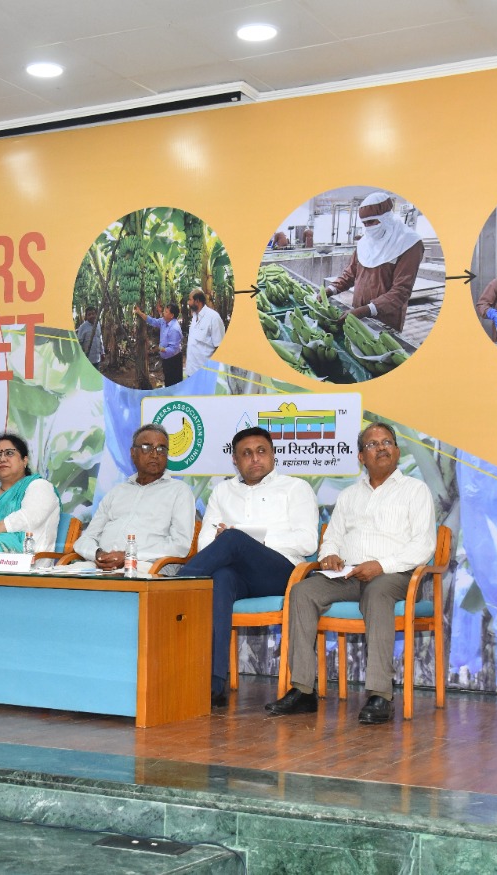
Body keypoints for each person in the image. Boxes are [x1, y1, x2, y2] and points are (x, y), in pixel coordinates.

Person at [265, 423, 436, 724]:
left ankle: (380, 695)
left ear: (397, 451)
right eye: (373, 444)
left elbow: (423, 546)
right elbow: (332, 537)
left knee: (377, 592)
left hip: (395, 576)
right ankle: (303, 690)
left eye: (387, 442)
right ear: (360, 457)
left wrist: (380, 565)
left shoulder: (415, 490)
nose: (381, 447)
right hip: (348, 575)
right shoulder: (349, 496)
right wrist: (329, 555)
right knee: (302, 591)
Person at [178, 426, 319, 707]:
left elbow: (307, 542)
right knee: (221, 578)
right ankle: (213, 686)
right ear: (235, 460)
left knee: (233, 538)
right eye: (246, 453)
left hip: (283, 574)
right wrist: (230, 540)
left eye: (261, 451)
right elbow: (205, 542)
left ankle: (176, 586)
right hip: (240, 577)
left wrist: (254, 539)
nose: (255, 458)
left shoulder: (295, 488)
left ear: (273, 454)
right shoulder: (223, 491)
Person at [72, 424, 195, 571]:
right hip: (101, 564)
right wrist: (98, 554)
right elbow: (86, 538)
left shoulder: (179, 491)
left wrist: (129, 556)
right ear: (133, 453)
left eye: (161, 449)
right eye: (146, 447)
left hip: (149, 566)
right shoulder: (116, 492)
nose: (155, 454)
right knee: (63, 575)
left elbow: (180, 545)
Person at [327, 192, 425, 332]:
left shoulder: (408, 243)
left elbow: (401, 291)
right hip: (357, 312)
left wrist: (366, 310)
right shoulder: (365, 242)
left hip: (386, 318)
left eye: (372, 222)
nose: (368, 227)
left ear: (386, 218)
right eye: (365, 223)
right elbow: (350, 274)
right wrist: (330, 290)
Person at [134, 302, 184, 387]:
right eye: (164, 310)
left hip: (173, 360)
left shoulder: (174, 329)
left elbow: (172, 350)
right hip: (166, 359)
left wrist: (159, 349)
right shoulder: (163, 321)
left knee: (174, 384)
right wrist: (139, 312)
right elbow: (152, 321)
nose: (163, 313)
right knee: (168, 382)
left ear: (172, 315)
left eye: (166, 312)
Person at [184, 291, 226, 379]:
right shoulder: (195, 316)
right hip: (191, 370)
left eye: (190, 300)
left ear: (197, 301)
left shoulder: (213, 317)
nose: (188, 302)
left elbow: (219, 347)